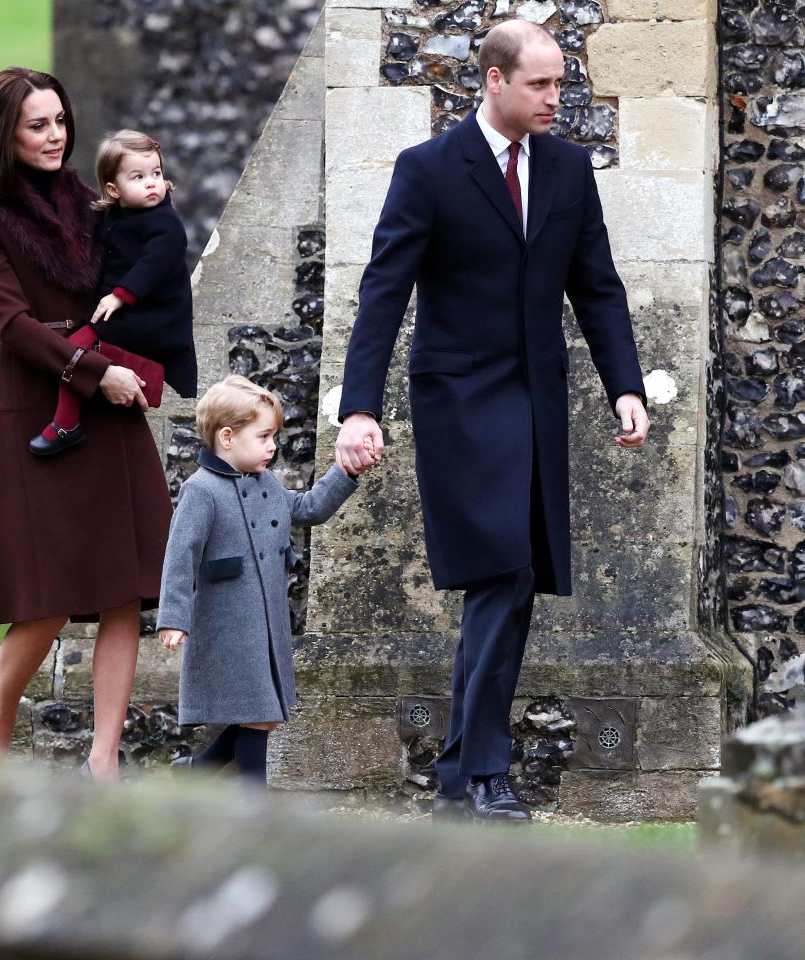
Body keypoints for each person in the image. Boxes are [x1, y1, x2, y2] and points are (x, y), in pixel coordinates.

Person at [335, 21, 650, 822]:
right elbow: (383, 292)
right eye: (541, 84)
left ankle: (460, 775)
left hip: (537, 400)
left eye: (560, 82)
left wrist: (625, 386)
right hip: (460, 401)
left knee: (509, 579)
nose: (557, 98)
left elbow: (599, 287)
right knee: (502, 569)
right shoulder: (430, 169)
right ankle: (485, 772)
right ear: (493, 81)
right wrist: (359, 407)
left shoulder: (572, 170)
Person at [0, 68, 175, 780]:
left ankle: (103, 760)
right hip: (39, 409)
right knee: (44, 601)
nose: (55, 136)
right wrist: (91, 373)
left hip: (109, 403)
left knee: (122, 591)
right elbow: (11, 325)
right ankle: (1, 719)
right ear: (4, 135)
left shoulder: (87, 200)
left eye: (59, 121)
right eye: (37, 125)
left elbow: (149, 249)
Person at [157, 376, 361, 786]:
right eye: (264, 436)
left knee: (262, 715)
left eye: (274, 436)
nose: (272, 446)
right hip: (228, 624)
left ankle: (196, 772)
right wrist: (174, 618)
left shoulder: (264, 483)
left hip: (268, 626)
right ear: (228, 437)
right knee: (256, 714)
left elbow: (308, 508)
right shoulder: (202, 491)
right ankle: (255, 810)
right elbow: (180, 556)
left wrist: (346, 470)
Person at [30, 128, 197, 456]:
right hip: (127, 310)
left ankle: (66, 424)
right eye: (138, 176)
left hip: (153, 314)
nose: (151, 182)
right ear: (113, 189)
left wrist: (121, 294)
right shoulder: (113, 216)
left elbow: (155, 262)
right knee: (84, 349)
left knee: (78, 348)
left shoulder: (165, 224)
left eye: (157, 173)